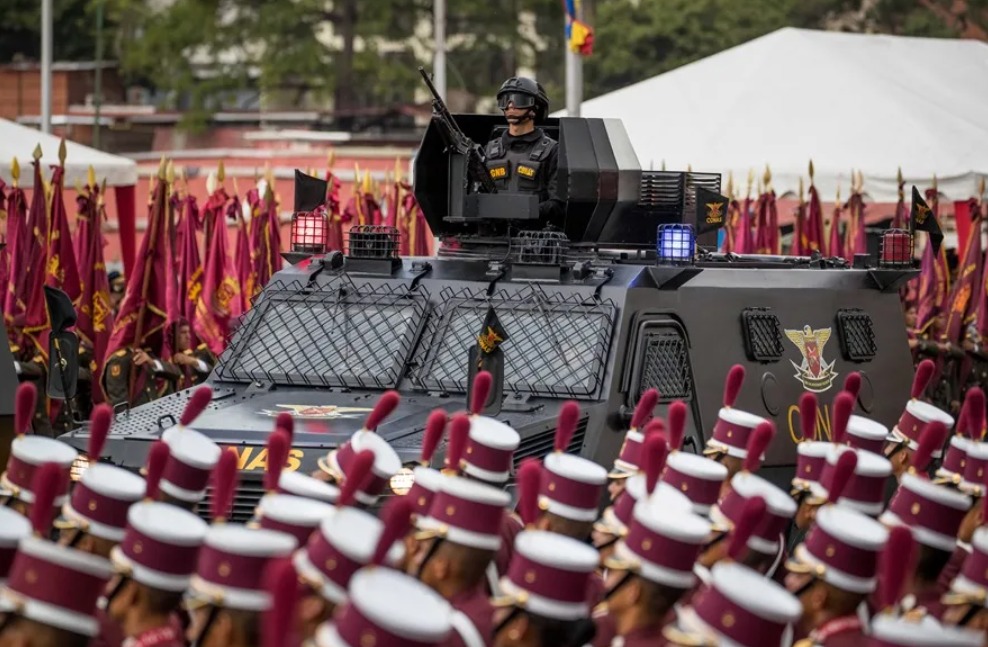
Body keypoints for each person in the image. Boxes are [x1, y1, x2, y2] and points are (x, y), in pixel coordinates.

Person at [485, 77, 564, 224]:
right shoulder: (490, 150)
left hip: (533, 238)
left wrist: (522, 213)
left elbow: (558, 204)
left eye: (518, 100)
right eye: (505, 100)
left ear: (535, 108)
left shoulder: (552, 151)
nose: (510, 106)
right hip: (494, 237)